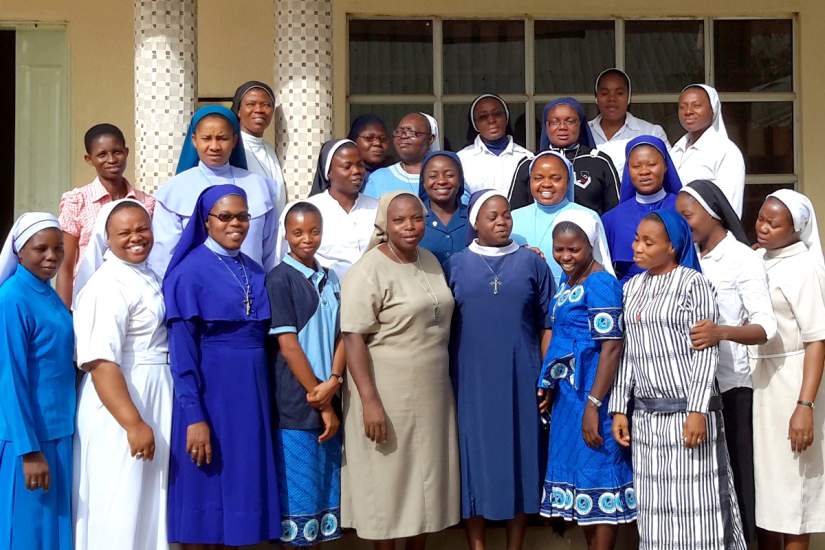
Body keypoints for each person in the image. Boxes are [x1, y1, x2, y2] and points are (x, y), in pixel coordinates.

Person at [609, 209, 747, 549]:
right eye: (636, 239)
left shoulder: (694, 284)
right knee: (657, 508)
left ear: (672, 246)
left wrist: (698, 409)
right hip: (647, 420)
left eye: (647, 242)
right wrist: (620, 409)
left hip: (688, 416)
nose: (636, 247)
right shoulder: (632, 288)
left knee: (699, 507)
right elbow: (628, 352)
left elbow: (705, 351)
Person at [340, 191, 459, 548]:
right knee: (390, 487)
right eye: (400, 220)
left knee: (423, 492)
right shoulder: (367, 270)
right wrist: (370, 402)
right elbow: (353, 337)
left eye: (417, 218)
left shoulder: (430, 260)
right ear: (384, 224)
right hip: (386, 392)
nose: (410, 226)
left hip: (431, 392)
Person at [163, 184, 280, 548]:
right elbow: (183, 356)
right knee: (207, 495)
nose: (236, 224)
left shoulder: (254, 270)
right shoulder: (189, 273)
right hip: (211, 396)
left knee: (245, 489)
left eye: (243, 216)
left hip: (253, 397)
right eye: (225, 216)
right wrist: (195, 416)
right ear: (206, 220)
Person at [446, 190, 552, 550]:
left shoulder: (532, 263)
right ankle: (477, 545)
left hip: (521, 373)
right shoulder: (456, 264)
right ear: (475, 222)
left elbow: (547, 322)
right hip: (470, 376)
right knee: (473, 457)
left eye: (506, 215)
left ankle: (515, 545)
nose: (502, 221)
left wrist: (545, 375)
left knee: (520, 454)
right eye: (492, 216)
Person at [676, 180, 776, 545]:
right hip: (691, 391)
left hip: (732, 387)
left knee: (739, 481)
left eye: (688, 215)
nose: (682, 223)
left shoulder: (741, 258)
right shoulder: (688, 257)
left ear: (714, 213)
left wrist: (721, 332)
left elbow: (765, 325)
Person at [72, 199, 173, 550]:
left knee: (148, 499)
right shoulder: (106, 286)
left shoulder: (147, 275)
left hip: (154, 394)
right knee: (119, 498)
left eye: (142, 228)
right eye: (124, 232)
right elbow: (101, 362)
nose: (136, 237)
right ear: (106, 238)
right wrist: (133, 423)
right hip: (121, 402)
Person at [538, 209, 635, 547]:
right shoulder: (568, 283)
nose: (566, 257)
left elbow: (611, 347)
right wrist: (549, 385)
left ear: (590, 245)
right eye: (559, 249)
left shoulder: (600, 283)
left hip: (595, 392)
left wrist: (594, 405)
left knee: (599, 474)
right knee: (581, 486)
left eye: (574, 249)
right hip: (568, 397)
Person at [267, 201, 346, 547]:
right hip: (298, 404)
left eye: (313, 231)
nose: (306, 239)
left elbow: (343, 335)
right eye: (297, 232)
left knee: (323, 505)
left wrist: (334, 381)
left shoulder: (330, 277)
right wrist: (321, 397)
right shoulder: (280, 279)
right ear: (286, 235)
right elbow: (289, 346)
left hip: (329, 393)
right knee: (297, 506)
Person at [751, 190, 825, 550]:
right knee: (768, 491)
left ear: (796, 229)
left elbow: (817, 340)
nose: (762, 226)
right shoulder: (760, 258)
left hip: (792, 383)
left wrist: (804, 407)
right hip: (762, 384)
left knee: (795, 493)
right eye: (761, 217)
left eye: (773, 223)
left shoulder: (804, 268)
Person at [0, 213, 75, 550]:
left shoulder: (46, 292)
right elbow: (10, 378)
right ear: (19, 252)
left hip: (57, 433)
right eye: (40, 249)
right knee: (26, 534)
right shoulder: (12, 299)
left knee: (52, 536)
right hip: (27, 440)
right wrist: (29, 452)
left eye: (58, 249)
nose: (51, 257)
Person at [148, 105, 279, 278]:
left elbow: (271, 253)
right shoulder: (175, 190)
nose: (214, 146)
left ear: (235, 140)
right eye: (206, 138)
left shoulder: (260, 187)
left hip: (251, 289)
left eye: (222, 138)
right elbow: (163, 257)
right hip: (197, 290)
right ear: (194, 140)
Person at [56, 123, 155, 308]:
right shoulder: (77, 201)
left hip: (135, 297)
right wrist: (64, 314)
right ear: (89, 159)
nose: (111, 159)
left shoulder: (146, 203)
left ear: (126, 152)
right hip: (88, 298)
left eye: (117, 152)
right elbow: (66, 265)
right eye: (102, 154)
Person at [511, 150, 609, 287]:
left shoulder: (586, 216)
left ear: (568, 181)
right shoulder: (512, 218)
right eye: (538, 178)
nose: (546, 184)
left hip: (572, 299)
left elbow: (601, 264)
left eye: (555, 178)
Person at [510, 97, 619, 215]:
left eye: (570, 121)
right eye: (555, 121)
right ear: (547, 126)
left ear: (580, 125)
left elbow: (615, 213)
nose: (562, 127)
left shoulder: (599, 161)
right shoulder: (529, 163)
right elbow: (515, 213)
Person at [601, 135, 682, 284]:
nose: (644, 171)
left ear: (665, 166)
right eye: (636, 166)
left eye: (651, 164)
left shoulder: (683, 210)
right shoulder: (611, 219)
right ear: (628, 170)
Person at [302, 139, 378, 280]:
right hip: (325, 296)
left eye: (360, 165)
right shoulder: (308, 211)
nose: (356, 171)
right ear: (329, 172)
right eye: (347, 166)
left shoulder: (378, 208)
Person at [671, 84, 746, 217]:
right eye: (682, 106)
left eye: (696, 105)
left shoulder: (726, 152)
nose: (688, 111)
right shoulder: (676, 150)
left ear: (713, 110)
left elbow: (730, 208)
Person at [588, 68, 670, 176]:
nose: (612, 98)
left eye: (619, 93)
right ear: (596, 98)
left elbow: (669, 173)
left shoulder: (651, 132)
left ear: (628, 97)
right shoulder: (583, 132)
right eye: (604, 93)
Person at [456, 94, 532, 198]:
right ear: (475, 124)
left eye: (497, 114)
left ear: (506, 118)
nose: (491, 120)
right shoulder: (462, 159)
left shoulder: (526, 157)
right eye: (483, 117)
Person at [231, 80, 288, 213]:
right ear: (238, 110)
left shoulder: (269, 149)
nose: (259, 110)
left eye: (266, 105)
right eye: (251, 104)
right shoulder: (232, 148)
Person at [362, 113, 438, 199]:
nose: (403, 136)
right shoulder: (379, 178)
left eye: (411, 132)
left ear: (430, 139)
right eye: (399, 132)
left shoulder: (443, 176)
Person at [418, 151, 469, 265]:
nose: (441, 181)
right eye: (433, 176)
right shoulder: (413, 220)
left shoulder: (474, 218)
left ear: (460, 180)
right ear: (423, 182)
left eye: (450, 175)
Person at [347, 114, 391, 184]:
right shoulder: (345, 176)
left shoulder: (394, 175)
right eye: (369, 138)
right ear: (353, 140)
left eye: (383, 139)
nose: (377, 143)